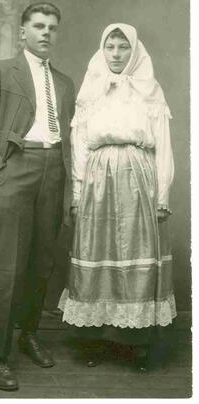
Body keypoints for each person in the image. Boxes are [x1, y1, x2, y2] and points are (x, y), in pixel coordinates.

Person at [0, 2, 75, 391]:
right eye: (39, 26)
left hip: (54, 171)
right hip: (17, 168)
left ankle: (28, 335)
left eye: (53, 27)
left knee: (42, 262)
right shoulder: (1, 70)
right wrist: (0, 171)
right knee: (7, 268)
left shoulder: (64, 82)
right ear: (22, 32)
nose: (47, 32)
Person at [58, 23, 176, 371]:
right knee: (99, 249)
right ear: (102, 49)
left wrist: (161, 194)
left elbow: (164, 146)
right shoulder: (90, 91)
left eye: (123, 48)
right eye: (110, 47)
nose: (116, 54)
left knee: (136, 250)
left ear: (134, 51)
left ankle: (137, 344)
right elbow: (79, 144)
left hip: (137, 176)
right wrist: (78, 191)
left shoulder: (150, 91)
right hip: (97, 176)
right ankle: (95, 338)